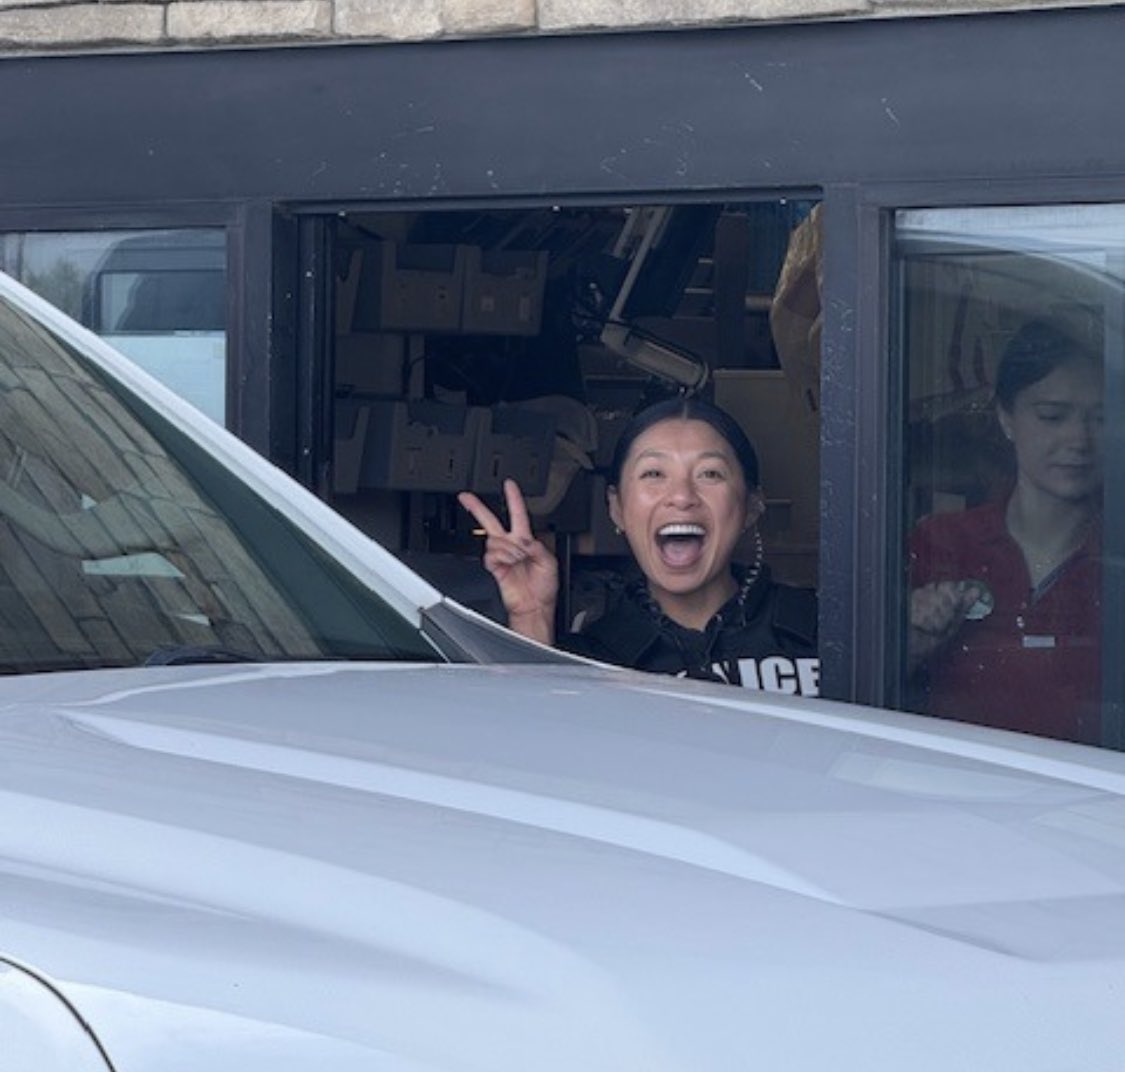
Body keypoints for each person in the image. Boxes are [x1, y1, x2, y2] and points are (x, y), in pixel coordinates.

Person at [458, 396, 819, 694]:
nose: (681, 496)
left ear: (751, 505)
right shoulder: (589, 659)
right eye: (653, 474)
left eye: (710, 473)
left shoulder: (822, 631)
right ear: (616, 507)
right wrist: (531, 619)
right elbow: (535, 745)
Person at [908, 317, 1103, 744]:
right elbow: (867, 692)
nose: (1079, 439)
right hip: (950, 780)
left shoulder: (1116, 559)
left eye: (1100, 418)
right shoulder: (940, 543)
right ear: (1005, 417)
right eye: (1052, 416)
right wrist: (911, 643)